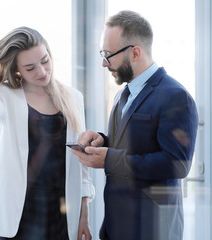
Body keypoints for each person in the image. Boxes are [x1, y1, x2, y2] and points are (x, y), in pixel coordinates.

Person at [70, 10, 198, 240]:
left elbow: (177, 164)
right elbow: (136, 144)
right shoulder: (122, 95)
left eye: (108, 55)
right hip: (117, 227)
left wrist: (109, 158)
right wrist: (103, 141)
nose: (103, 62)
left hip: (152, 229)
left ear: (135, 53)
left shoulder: (175, 96)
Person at [0, 26, 95, 240]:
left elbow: (80, 164)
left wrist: (84, 215)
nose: (42, 72)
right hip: (19, 214)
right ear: (17, 70)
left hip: (61, 212)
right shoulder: (7, 95)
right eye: (30, 68)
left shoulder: (73, 97)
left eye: (45, 61)